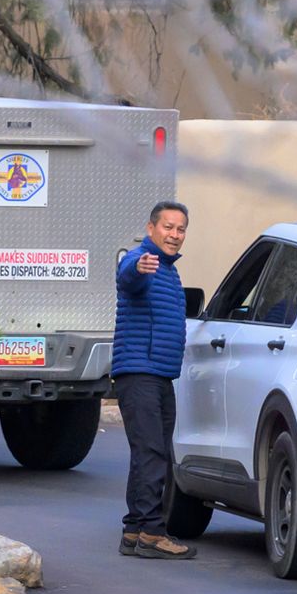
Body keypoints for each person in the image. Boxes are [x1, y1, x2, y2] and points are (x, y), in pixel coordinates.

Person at [112, 200, 196, 559]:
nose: (174, 235)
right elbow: (127, 274)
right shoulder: (143, 261)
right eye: (168, 227)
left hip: (158, 375)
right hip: (140, 372)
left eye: (180, 229)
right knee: (152, 453)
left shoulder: (169, 271)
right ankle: (152, 533)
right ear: (151, 229)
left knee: (147, 452)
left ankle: (134, 530)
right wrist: (139, 266)